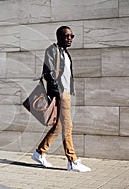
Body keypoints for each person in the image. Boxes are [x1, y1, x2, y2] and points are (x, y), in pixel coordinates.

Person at [31, 26, 91, 172]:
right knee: (68, 126)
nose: (70, 38)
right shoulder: (52, 50)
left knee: (59, 126)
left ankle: (39, 153)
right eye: (66, 36)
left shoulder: (65, 52)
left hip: (66, 93)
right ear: (59, 37)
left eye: (72, 36)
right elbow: (48, 73)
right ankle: (72, 161)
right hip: (60, 93)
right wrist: (57, 92)